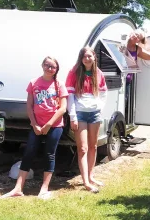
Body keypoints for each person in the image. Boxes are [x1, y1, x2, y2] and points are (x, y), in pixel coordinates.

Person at [0, 56, 68, 199]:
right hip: (36, 125)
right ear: (42, 65)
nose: (50, 69)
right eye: (47, 65)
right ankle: (18, 188)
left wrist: (49, 124)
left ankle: (44, 188)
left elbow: (62, 109)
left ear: (56, 69)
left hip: (54, 125)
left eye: (53, 67)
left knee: (49, 154)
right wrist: (34, 124)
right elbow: (29, 106)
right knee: (28, 153)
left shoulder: (59, 84)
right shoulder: (33, 83)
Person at [65, 47, 107, 193]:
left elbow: (103, 93)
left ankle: (91, 176)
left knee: (93, 146)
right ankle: (86, 182)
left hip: (94, 114)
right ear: (81, 58)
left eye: (89, 56)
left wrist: (99, 108)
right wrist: (73, 116)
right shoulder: (74, 72)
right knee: (82, 148)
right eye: (84, 56)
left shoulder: (98, 73)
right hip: (80, 114)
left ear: (94, 57)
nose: (87, 59)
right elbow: (70, 96)